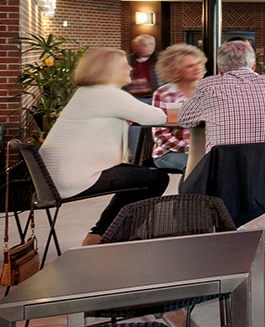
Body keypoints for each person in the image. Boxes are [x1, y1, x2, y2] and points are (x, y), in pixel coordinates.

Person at [39, 47, 170, 245]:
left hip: (53, 178)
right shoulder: (107, 93)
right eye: (122, 64)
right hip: (73, 178)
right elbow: (158, 117)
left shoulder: (88, 92)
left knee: (139, 176)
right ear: (107, 69)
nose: (129, 66)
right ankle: (113, 237)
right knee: (156, 178)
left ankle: (100, 235)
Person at [177, 40, 265, 256]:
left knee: (213, 175)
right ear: (254, 64)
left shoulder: (208, 85)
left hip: (227, 174)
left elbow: (185, 119)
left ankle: (232, 229)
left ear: (220, 67)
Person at [149, 43, 206, 171]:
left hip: (204, 150)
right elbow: (161, 134)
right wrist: (190, 149)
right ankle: (189, 192)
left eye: (199, 63)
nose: (197, 68)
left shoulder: (208, 91)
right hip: (170, 152)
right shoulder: (164, 94)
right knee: (195, 166)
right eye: (190, 66)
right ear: (175, 70)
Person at [125, 34, 158, 99]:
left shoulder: (160, 61)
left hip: (152, 97)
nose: (147, 47)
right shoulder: (126, 60)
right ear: (135, 46)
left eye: (150, 44)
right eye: (143, 45)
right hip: (131, 97)